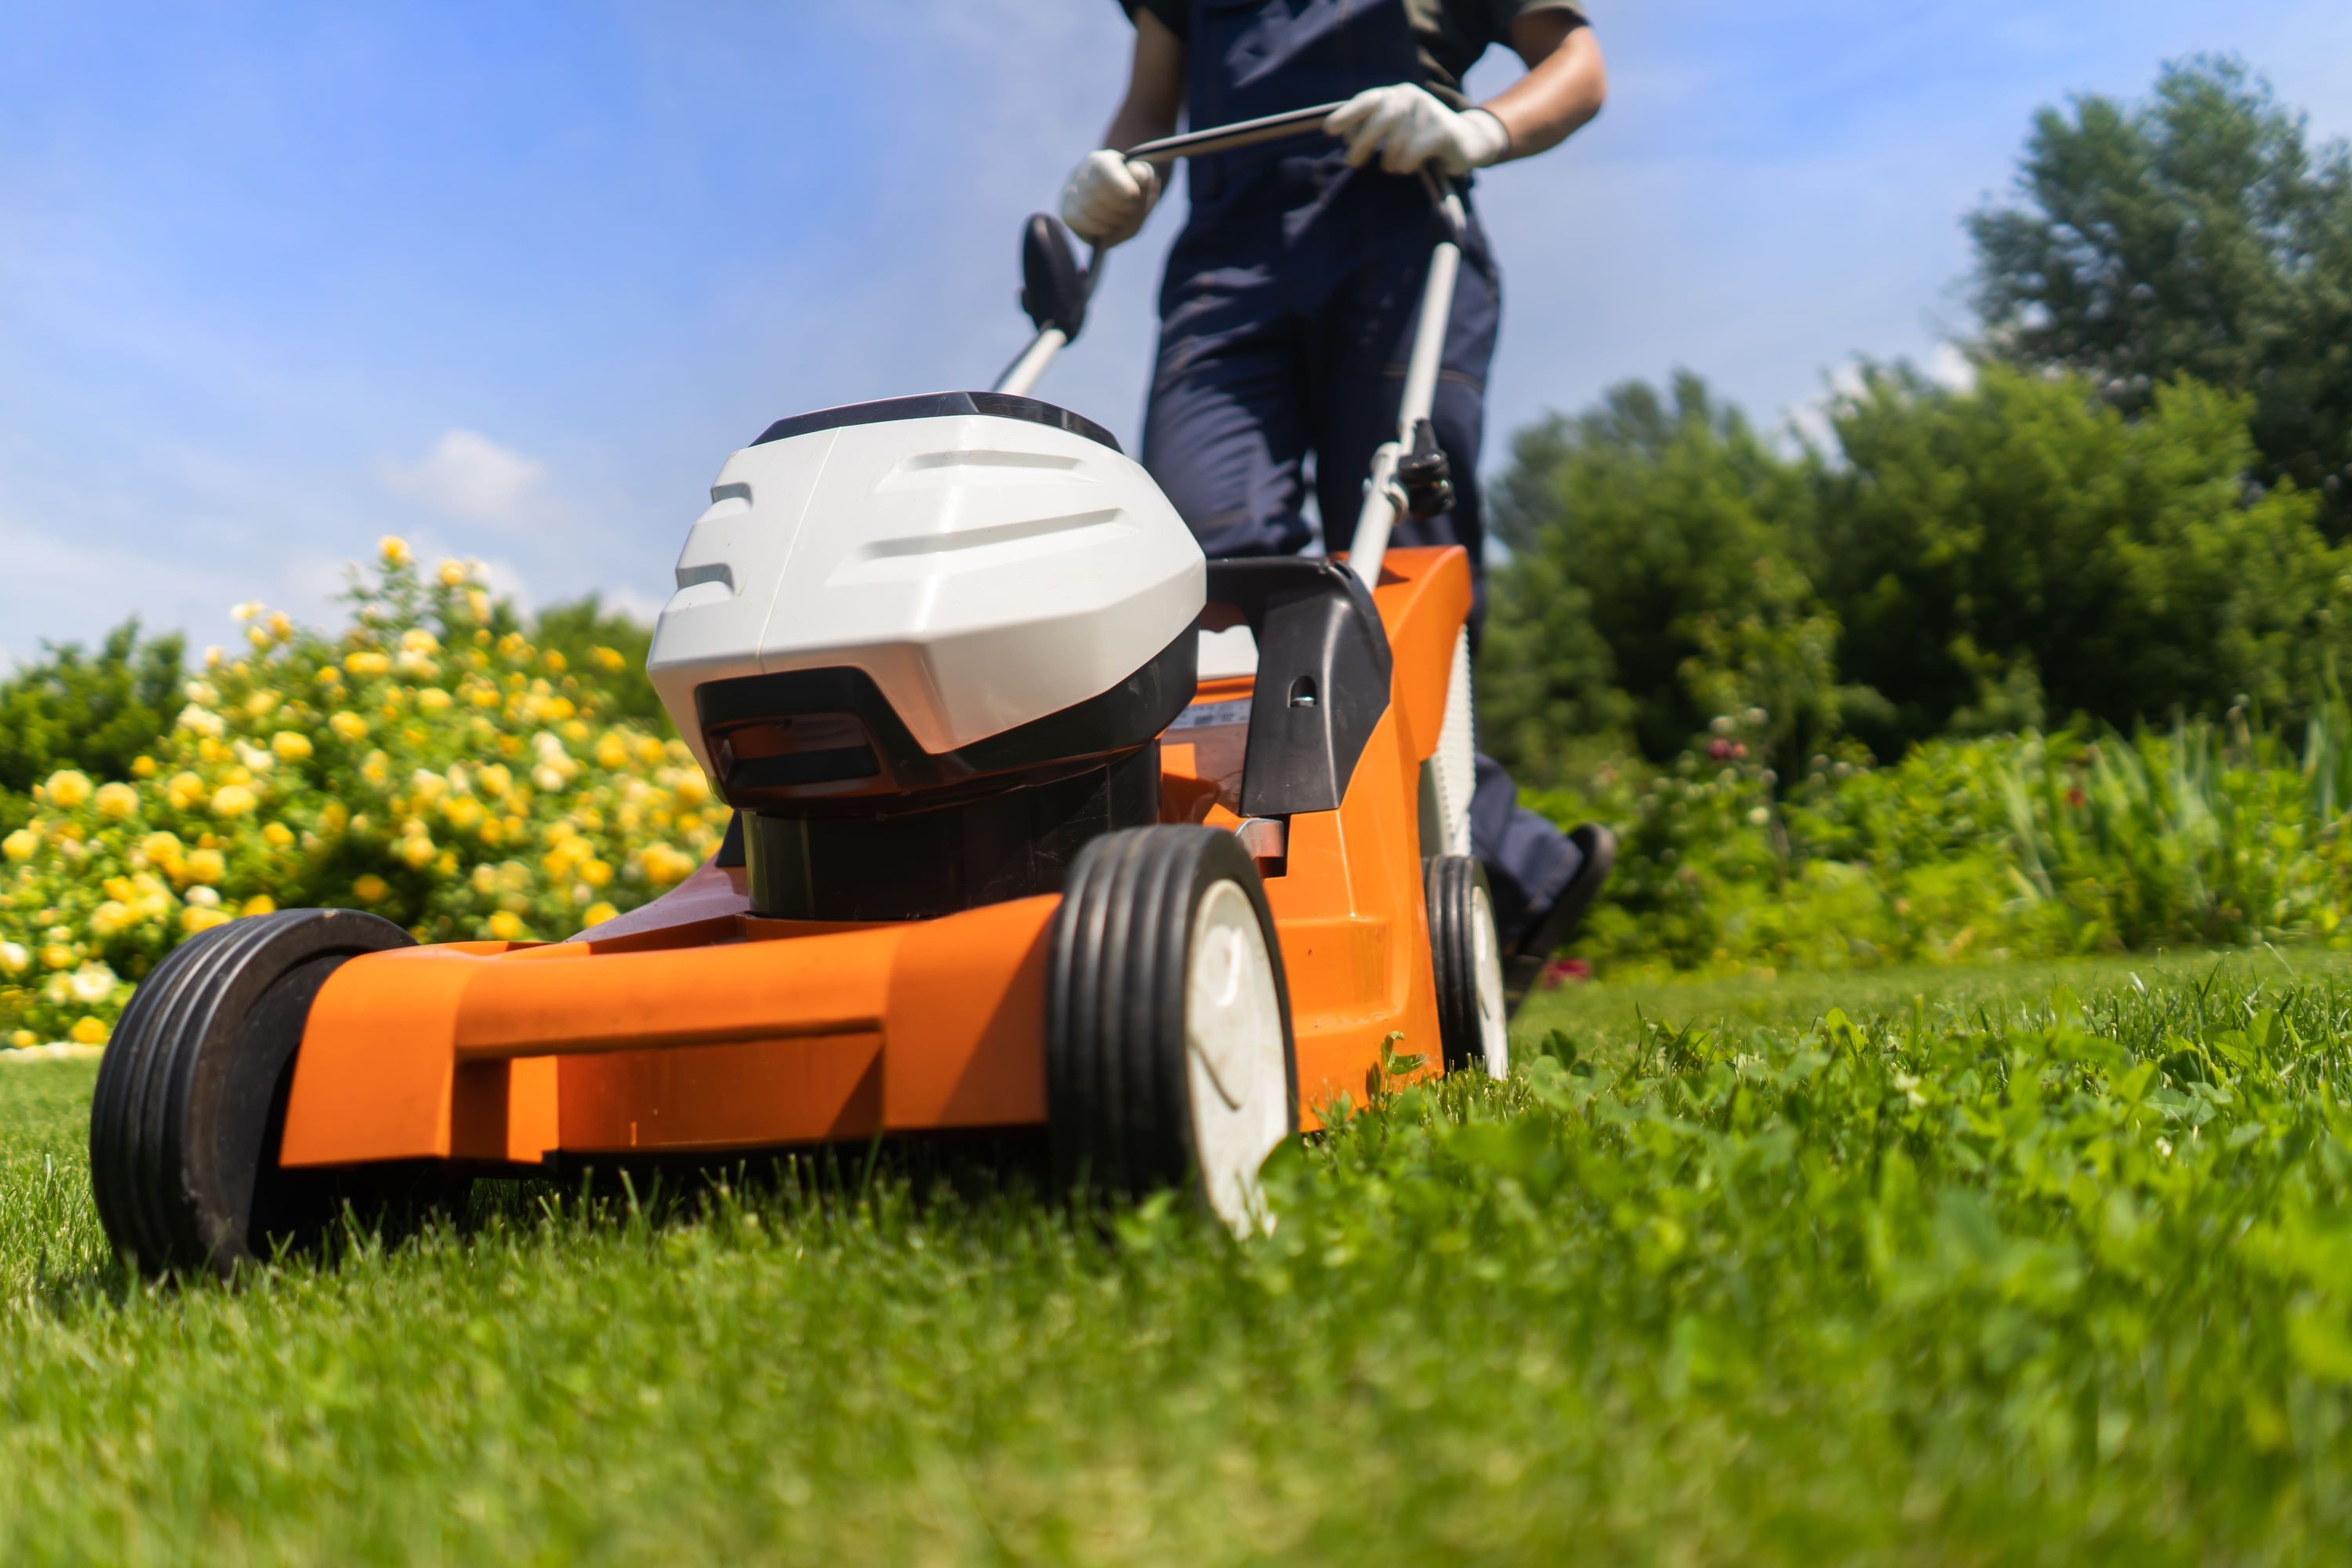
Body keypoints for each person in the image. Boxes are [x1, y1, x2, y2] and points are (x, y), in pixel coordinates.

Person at [1061, 0, 1614, 1007]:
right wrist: (1113, 176)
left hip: (1397, 233)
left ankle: (1442, 872)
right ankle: (1492, 866)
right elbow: (1149, 108)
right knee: (1207, 573)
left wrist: (1478, 128)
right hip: (1226, 271)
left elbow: (1576, 65)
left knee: (1399, 561)